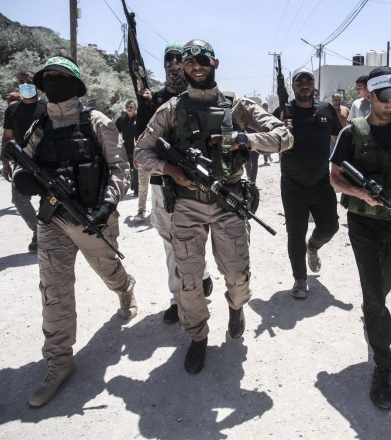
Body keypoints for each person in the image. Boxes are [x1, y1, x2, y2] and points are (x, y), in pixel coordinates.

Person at [134, 40, 292, 374]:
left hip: (229, 200)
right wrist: (170, 170)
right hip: (187, 206)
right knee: (189, 279)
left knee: (236, 274)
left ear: (215, 63)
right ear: (183, 68)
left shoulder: (238, 106)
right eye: (190, 62)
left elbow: (284, 137)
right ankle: (197, 336)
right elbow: (140, 153)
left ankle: (236, 308)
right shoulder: (170, 109)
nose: (196, 66)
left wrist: (246, 139)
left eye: (203, 60)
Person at [11, 56, 138, 407]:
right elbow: (23, 162)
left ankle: (125, 290)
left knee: (109, 272)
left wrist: (107, 206)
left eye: (59, 77)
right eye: (46, 78)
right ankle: (58, 361)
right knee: (54, 290)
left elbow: (119, 167)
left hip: (93, 219)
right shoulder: (40, 127)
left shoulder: (96, 121)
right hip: (52, 221)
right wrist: (24, 179)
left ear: (75, 83)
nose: (51, 82)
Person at [330, 66, 391, 410]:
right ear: (369, 96)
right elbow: (335, 178)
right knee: (375, 296)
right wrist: (362, 194)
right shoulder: (352, 133)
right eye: (385, 99)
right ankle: (383, 368)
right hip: (364, 225)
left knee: (385, 281)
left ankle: (373, 311)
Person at [134, 42, 214, 324]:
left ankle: (202, 277)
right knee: (170, 242)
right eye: (169, 59)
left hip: (195, 184)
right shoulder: (153, 100)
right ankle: (178, 297)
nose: (174, 64)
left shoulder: (200, 95)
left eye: (179, 59)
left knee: (199, 237)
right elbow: (141, 147)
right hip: (163, 182)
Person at [276, 67, 342, 298]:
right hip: (293, 184)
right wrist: (279, 130)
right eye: (299, 81)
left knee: (330, 227)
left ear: (314, 85)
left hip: (322, 182)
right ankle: (300, 279)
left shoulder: (325, 109)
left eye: (308, 81)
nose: (304, 84)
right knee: (295, 233)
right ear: (293, 87)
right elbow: (266, 141)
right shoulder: (282, 111)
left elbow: (339, 137)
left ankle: (312, 247)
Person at [1, 70, 46, 253]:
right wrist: (5, 163)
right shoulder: (12, 110)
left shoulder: (47, 108)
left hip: (45, 160)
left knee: (48, 199)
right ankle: (37, 231)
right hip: (22, 161)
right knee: (19, 200)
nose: (26, 84)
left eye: (29, 81)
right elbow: (7, 137)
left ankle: (48, 233)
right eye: (22, 82)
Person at [116, 100, 146, 220]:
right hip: (125, 149)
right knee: (127, 169)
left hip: (137, 149)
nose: (129, 108)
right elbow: (115, 130)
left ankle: (136, 190)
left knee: (137, 168)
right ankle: (132, 187)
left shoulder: (139, 119)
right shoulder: (121, 120)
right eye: (128, 107)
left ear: (135, 108)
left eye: (131, 107)